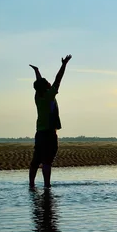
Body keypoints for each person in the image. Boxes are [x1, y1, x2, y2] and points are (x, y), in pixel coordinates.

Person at [28, 54, 72, 189]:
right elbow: (58, 79)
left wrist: (36, 71)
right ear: (46, 86)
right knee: (47, 161)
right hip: (49, 134)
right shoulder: (49, 95)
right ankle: (47, 186)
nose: (49, 82)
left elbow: (39, 82)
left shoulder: (38, 96)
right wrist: (64, 64)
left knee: (36, 160)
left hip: (40, 133)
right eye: (47, 82)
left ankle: (31, 185)